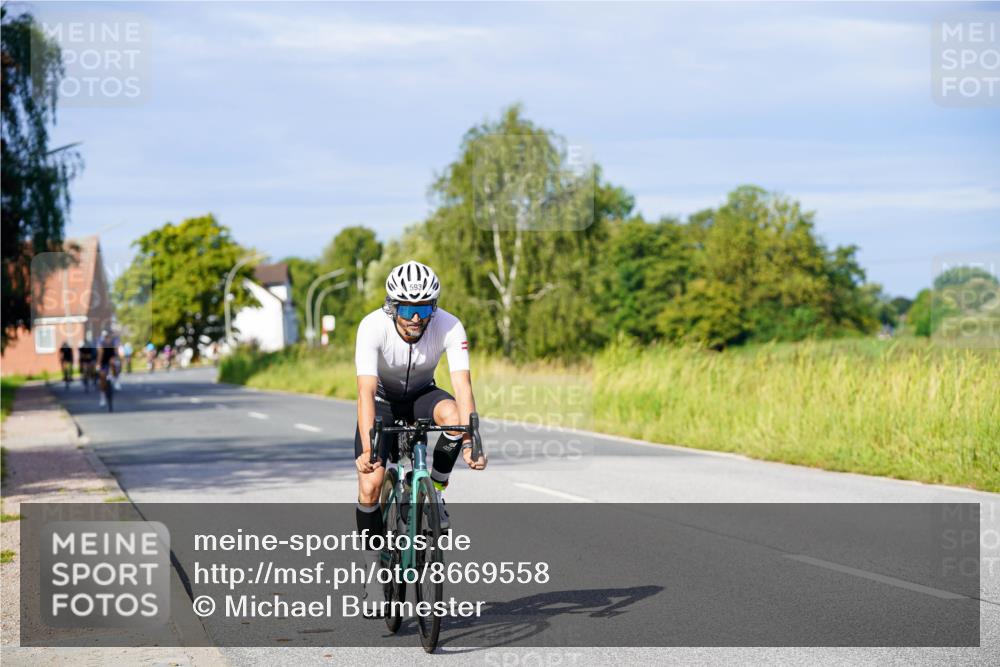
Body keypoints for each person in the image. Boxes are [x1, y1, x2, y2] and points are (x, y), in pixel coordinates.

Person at [353, 260, 487, 599]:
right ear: (393, 306)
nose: (416, 318)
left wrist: (471, 440)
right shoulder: (371, 327)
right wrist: (370, 450)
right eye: (409, 308)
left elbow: (463, 386)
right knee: (370, 485)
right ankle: (373, 570)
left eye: (424, 308)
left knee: (454, 416)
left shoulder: (450, 326)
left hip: (423, 394)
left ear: (434, 307)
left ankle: (437, 490)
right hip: (383, 400)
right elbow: (365, 391)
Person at [97, 330, 118, 407]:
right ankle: (102, 398)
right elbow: (100, 355)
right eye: (105, 337)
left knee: (114, 364)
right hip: (103, 362)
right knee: (102, 378)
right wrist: (98, 364)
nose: (107, 339)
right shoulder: (101, 344)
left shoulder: (113, 343)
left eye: (108, 337)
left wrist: (116, 358)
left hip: (111, 360)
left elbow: (116, 353)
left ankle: (115, 380)